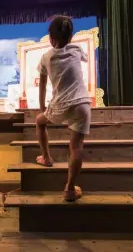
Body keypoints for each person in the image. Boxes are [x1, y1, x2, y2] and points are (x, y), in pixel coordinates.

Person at [35, 15, 91, 202]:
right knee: (76, 146)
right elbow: (83, 58)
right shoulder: (76, 49)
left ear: (50, 38)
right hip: (82, 104)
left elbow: (42, 86)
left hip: (60, 105)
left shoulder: (46, 57)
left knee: (39, 122)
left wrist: (42, 108)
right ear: (70, 36)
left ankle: (46, 158)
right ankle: (69, 189)